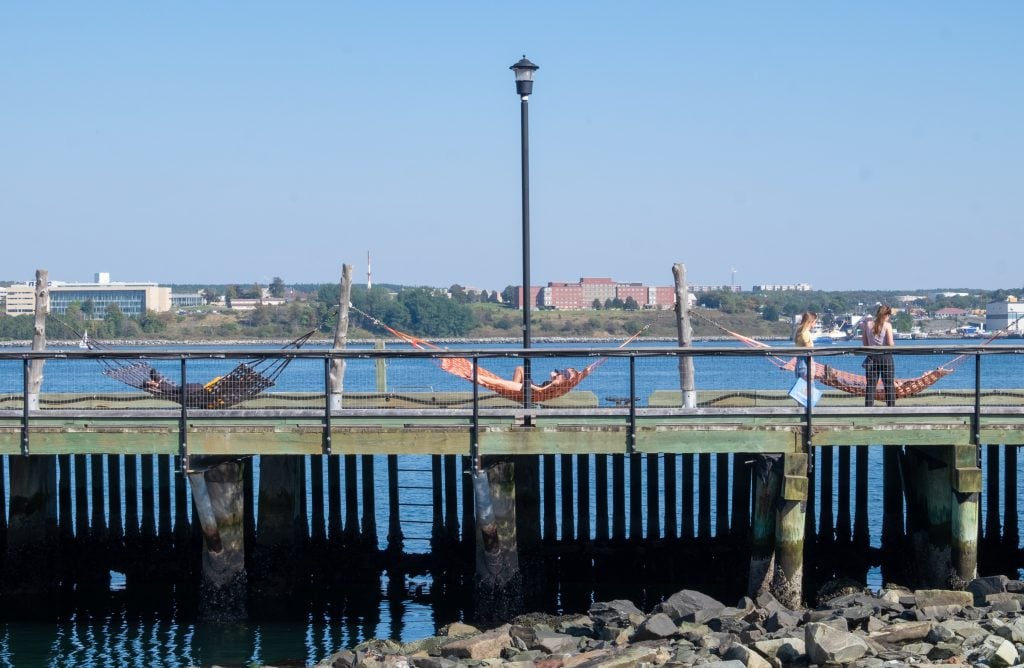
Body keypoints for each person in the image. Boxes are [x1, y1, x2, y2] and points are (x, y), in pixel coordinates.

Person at [862, 304, 896, 406]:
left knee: (871, 385)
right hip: (886, 357)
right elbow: (890, 343)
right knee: (889, 384)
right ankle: (891, 409)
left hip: (871, 356)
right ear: (887, 315)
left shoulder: (868, 325)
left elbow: (865, 343)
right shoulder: (887, 326)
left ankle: (868, 409)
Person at [793, 311, 817, 381]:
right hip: (806, 364)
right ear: (811, 322)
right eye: (815, 322)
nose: (815, 324)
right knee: (808, 389)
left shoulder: (800, 332)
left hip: (800, 363)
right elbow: (809, 350)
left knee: (802, 388)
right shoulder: (805, 334)